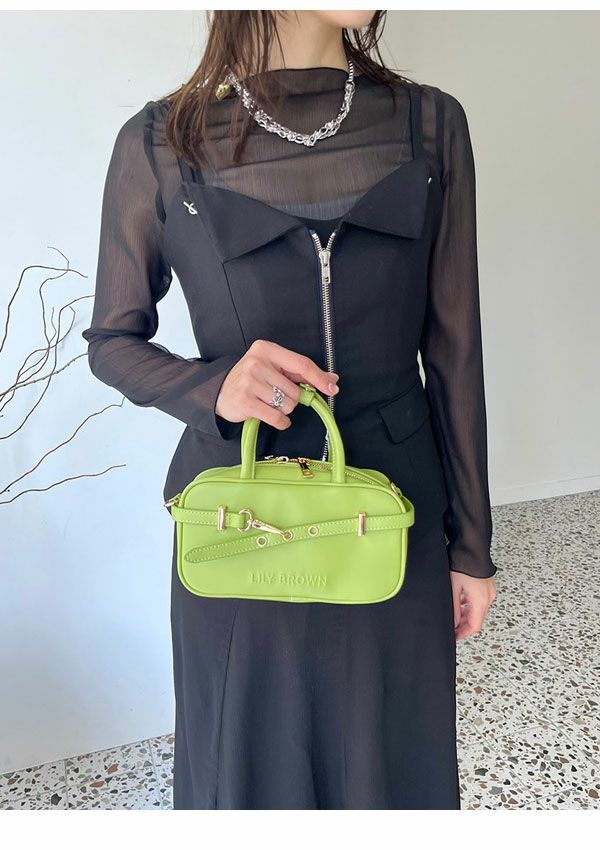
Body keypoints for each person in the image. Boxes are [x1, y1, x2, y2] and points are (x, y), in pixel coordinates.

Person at [82, 10, 497, 809]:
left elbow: (456, 349)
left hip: (398, 509)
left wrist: (472, 547)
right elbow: (111, 340)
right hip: (240, 520)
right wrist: (212, 388)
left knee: (392, 764)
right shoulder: (160, 142)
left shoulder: (431, 124)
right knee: (248, 772)